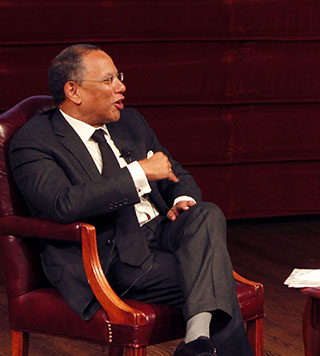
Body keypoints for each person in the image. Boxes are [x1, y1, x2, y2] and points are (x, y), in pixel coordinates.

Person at [9, 44, 252, 356]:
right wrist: (138, 173)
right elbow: (61, 203)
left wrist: (182, 199)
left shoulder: (130, 122)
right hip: (109, 255)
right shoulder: (34, 141)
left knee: (206, 213)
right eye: (109, 80)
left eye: (119, 77)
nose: (121, 87)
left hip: (162, 233)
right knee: (215, 279)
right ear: (74, 91)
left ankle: (196, 343)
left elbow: (175, 173)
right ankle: (199, 341)